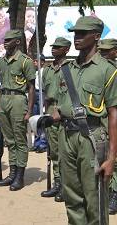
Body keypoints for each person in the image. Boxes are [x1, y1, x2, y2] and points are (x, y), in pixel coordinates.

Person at [52, 16, 117, 224]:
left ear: (96, 36)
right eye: (75, 33)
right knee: (72, 197)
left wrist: (111, 158)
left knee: (94, 198)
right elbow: (61, 106)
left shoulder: (108, 70)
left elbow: (114, 114)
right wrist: (50, 117)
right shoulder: (66, 70)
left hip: (92, 138)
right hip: (67, 137)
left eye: (82, 33)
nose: (76, 38)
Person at [0, 30, 36, 191]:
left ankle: (19, 175)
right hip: (5, 99)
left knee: (19, 140)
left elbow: (31, 88)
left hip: (19, 100)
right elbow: (0, 84)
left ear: (17, 42)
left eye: (9, 40)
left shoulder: (25, 61)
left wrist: (30, 110)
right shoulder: (2, 61)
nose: (5, 42)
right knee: (9, 140)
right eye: (5, 40)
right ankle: (11, 173)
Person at [40, 37, 70, 202]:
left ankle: (66, 186)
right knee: (54, 150)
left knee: (66, 151)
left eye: (58, 47)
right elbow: (45, 93)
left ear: (66, 49)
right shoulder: (47, 70)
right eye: (53, 47)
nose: (53, 49)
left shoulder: (70, 68)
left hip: (64, 111)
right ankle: (57, 184)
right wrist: (45, 113)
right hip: (51, 110)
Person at [97, 38, 117, 215]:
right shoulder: (101, 71)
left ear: (115, 52)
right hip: (104, 121)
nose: (102, 54)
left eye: (106, 51)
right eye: (100, 51)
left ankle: (114, 194)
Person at [31, 54, 47, 153]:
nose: (35, 63)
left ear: (42, 62)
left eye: (37, 61)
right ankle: (36, 143)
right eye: (34, 61)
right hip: (35, 93)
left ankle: (43, 143)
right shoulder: (34, 72)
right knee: (35, 120)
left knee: (42, 120)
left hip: (42, 93)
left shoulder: (44, 72)